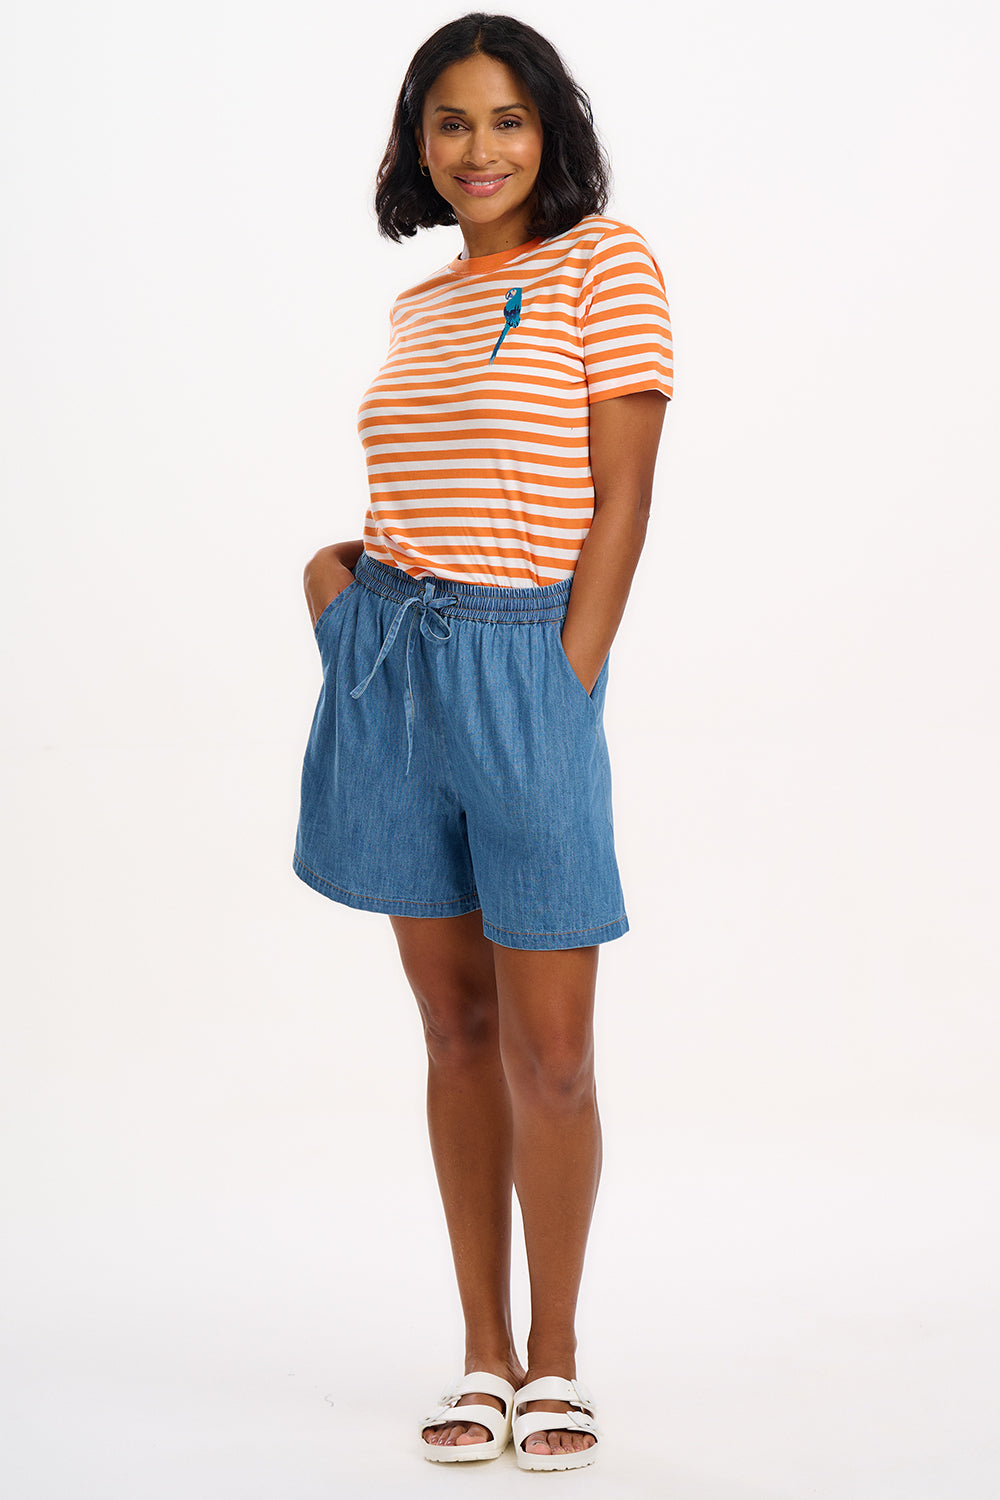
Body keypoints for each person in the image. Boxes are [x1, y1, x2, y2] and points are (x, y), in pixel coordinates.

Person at [293, 11, 673, 1473]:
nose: (479, 149)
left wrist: (566, 687)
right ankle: (484, 1354)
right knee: (452, 1030)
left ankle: (561, 1358)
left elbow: (623, 500)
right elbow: (402, 489)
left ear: (550, 128)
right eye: (450, 122)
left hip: (528, 667)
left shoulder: (606, 262)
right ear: (416, 142)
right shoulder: (423, 305)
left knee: (553, 1053)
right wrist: (329, 591)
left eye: (506, 119)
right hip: (393, 669)